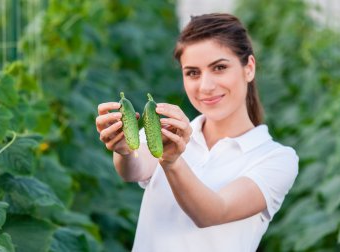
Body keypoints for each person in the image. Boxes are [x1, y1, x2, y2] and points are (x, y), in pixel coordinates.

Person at [96, 13, 298, 252]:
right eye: (193, 73)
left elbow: (214, 212)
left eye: (220, 68)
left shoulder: (276, 159)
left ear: (249, 68)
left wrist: (172, 162)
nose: (206, 86)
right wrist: (124, 149)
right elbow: (133, 170)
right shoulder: (170, 132)